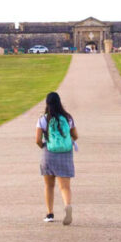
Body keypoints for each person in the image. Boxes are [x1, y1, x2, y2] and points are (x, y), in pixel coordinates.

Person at [35, 92, 78, 225]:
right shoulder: (68, 118)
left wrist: (44, 145)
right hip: (65, 153)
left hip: (49, 153)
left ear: (47, 103)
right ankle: (67, 206)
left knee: (49, 185)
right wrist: (67, 141)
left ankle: (50, 213)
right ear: (59, 102)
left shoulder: (43, 119)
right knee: (65, 186)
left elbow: (37, 140)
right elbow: (75, 135)